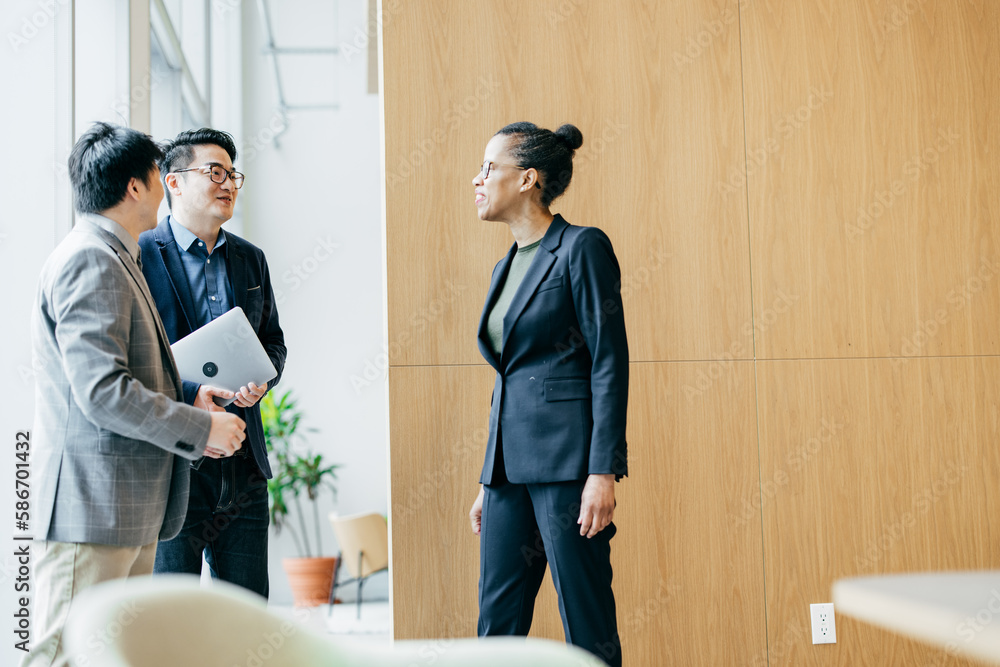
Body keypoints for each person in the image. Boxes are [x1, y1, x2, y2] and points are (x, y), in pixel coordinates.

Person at [26, 123, 247, 667]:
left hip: (120, 507)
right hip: (92, 508)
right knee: (63, 653)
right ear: (136, 187)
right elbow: (102, 391)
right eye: (157, 174)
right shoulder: (91, 259)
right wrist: (201, 429)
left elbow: (128, 376)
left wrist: (189, 401)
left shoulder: (115, 254)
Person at [468, 122, 629, 667]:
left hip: (569, 469)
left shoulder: (581, 247)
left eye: (490, 168)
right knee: (497, 627)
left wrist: (602, 471)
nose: (478, 178)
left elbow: (608, 361)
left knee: (586, 621)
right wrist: (488, 476)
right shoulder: (503, 266)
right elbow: (507, 377)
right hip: (508, 475)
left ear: (528, 178)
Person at [139, 128, 286, 598]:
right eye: (214, 172)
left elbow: (274, 342)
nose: (228, 184)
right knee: (171, 622)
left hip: (242, 467)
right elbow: (134, 358)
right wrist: (189, 397)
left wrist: (262, 379)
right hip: (175, 465)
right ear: (174, 182)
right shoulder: (141, 254)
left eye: (233, 174)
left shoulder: (250, 259)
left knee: (246, 619)